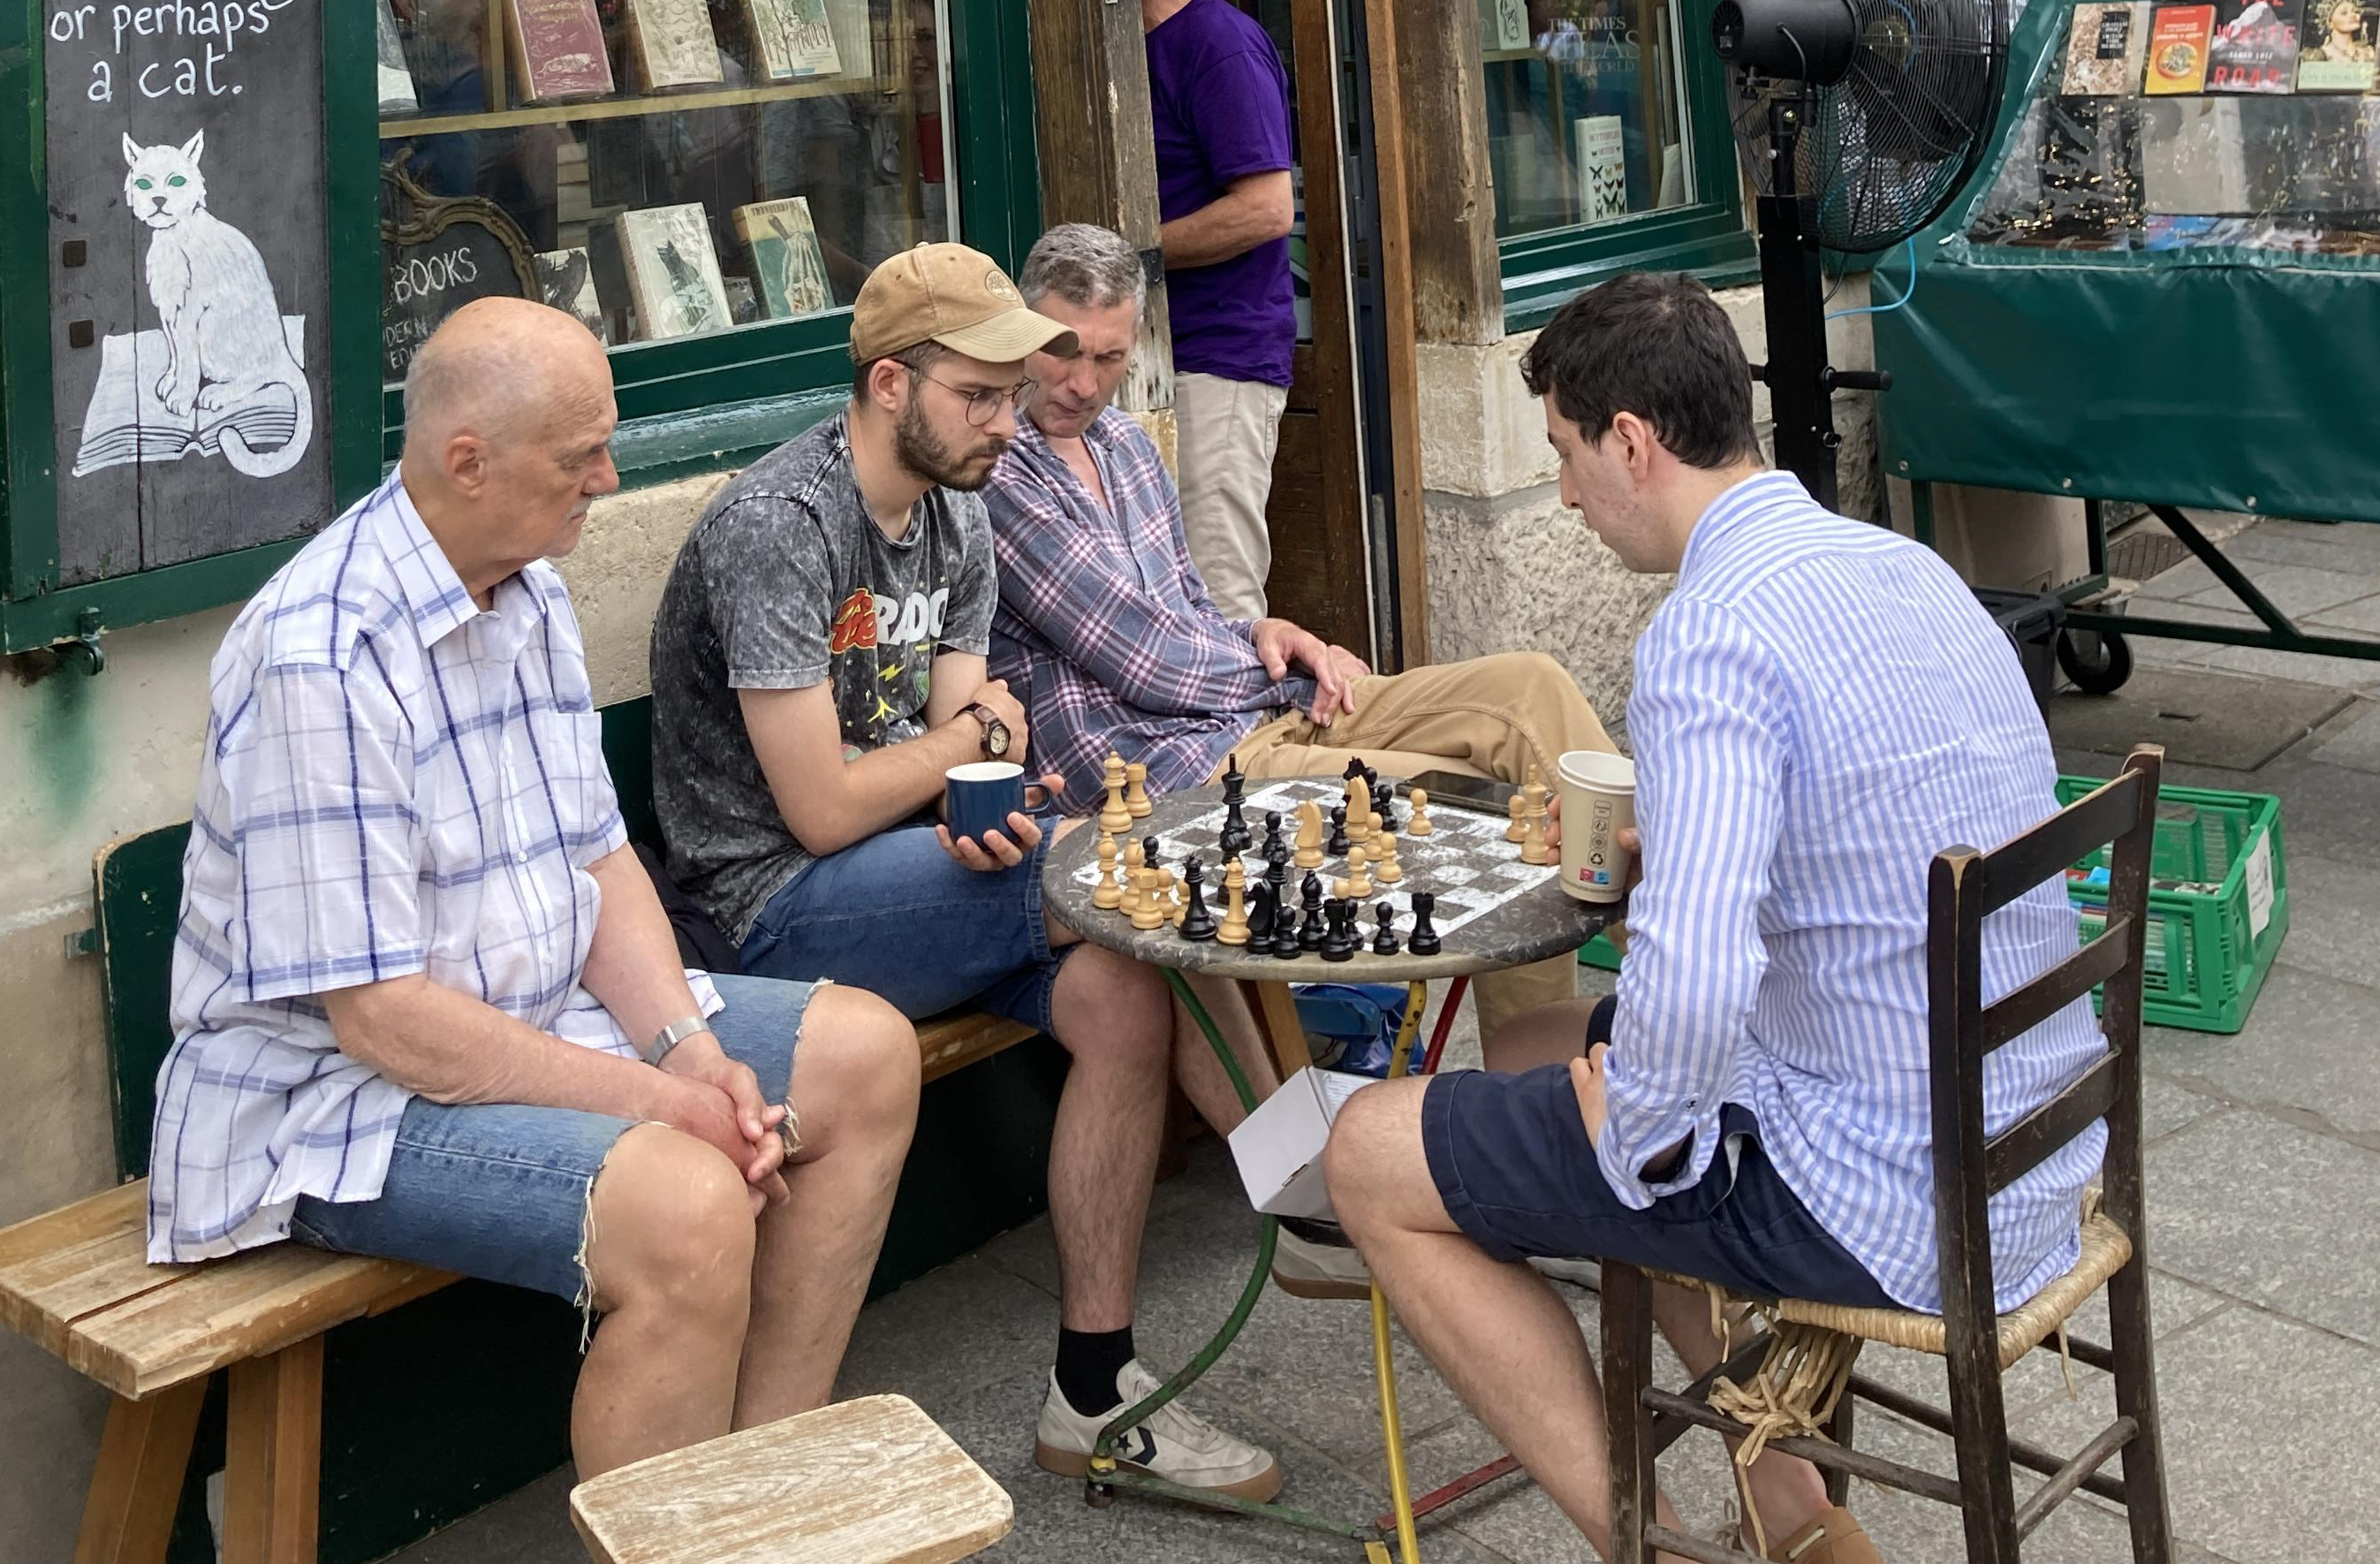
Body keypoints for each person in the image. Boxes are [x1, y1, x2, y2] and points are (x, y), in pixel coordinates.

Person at [1325, 273, 2107, 1564]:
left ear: (1631, 439)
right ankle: (1798, 1526)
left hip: (1891, 1194)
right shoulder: (1904, 567)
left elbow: (1694, 982)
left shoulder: (1712, 632)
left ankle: (1657, 1551)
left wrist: (1633, 1125)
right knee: (1556, 1053)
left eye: (1569, 457)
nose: (1567, 495)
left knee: (1372, 1147)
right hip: (2027, 1147)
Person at [147, 299, 919, 1480]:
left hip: (528, 1015)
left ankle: (759, 1499)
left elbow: (598, 859)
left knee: (867, 1058)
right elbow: (386, 1022)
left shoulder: (526, 583)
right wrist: (658, 1105)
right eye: (582, 457)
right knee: (693, 1210)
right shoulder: (325, 652)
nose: (608, 479)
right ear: (470, 462)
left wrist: (685, 1050)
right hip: (330, 1099)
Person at [649, 241, 1282, 1501]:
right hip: (756, 914)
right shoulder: (780, 527)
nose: (1011, 419)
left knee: (1121, 985)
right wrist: (966, 746)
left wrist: (981, 773)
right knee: (1123, 879)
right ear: (891, 386)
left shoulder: (960, 516)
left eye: (1011, 391)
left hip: (900, 875)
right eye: (979, 396)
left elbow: (969, 740)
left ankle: (1093, 1394)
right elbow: (825, 810)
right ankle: (1309, 1183)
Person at [990, 222, 1606, 1074]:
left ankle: (1651, 948)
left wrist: (1267, 633)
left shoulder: (1127, 445)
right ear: (1023, 336)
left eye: (1110, 359)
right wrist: (1276, 674)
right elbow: (1146, 660)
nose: (1085, 381)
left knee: (1530, 690)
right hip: (1184, 779)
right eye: (1064, 351)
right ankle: (1535, 1095)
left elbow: (1193, 612)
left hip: (1259, 717)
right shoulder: (997, 475)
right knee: (1485, 815)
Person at [1128, 0, 1297, 619]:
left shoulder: (1219, 44)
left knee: (1222, 596)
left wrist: (1138, 255)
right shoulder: (1145, 45)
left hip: (1220, 360)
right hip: (1162, 357)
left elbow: (1267, 208)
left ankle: (1254, 746)